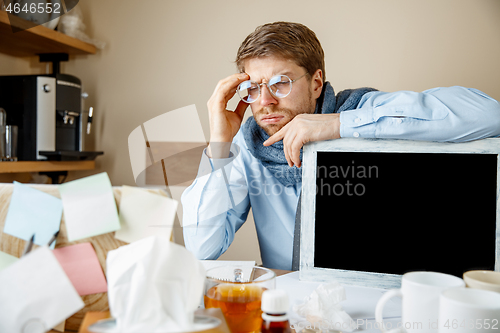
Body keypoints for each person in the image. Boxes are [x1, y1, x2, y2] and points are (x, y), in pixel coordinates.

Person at [181, 21, 500, 270]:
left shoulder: (361, 113)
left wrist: (338, 126)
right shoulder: (249, 145)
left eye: (282, 82)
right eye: (253, 87)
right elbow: (202, 248)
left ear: (316, 82)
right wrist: (219, 145)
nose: (265, 101)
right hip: (290, 310)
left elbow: (489, 114)